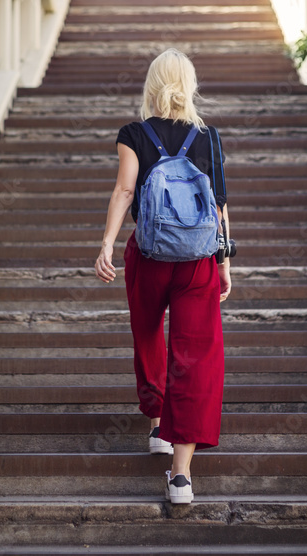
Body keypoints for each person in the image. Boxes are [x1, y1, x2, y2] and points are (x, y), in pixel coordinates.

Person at [94, 48, 231, 505]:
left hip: (149, 255)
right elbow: (219, 206)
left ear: (152, 85)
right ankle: (181, 476)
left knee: (149, 333)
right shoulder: (208, 138)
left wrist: (107, 244)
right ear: (189, 85)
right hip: (197, 261)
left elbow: (125, 189)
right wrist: (225, 261)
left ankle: (157, 423)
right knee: (195, 355)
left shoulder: (134, 133)